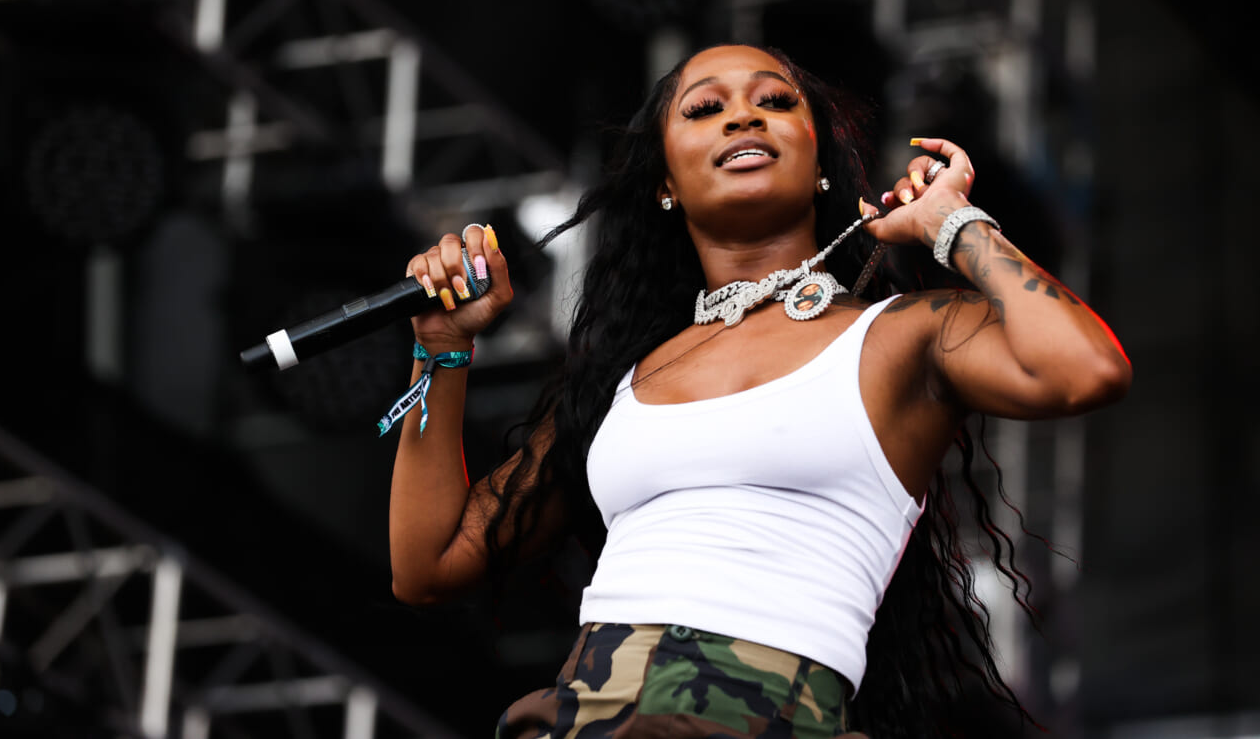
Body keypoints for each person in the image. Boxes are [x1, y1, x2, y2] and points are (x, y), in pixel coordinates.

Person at [386, 44, 1131, 737]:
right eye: (704, 109)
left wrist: (954, 224)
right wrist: (441, 349)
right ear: (666, 185)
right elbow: (429, 564)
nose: (742, 115)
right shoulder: (622, 377)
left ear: (822, 167)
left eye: (774, 101)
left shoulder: (903, 335)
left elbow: (1085, 368)